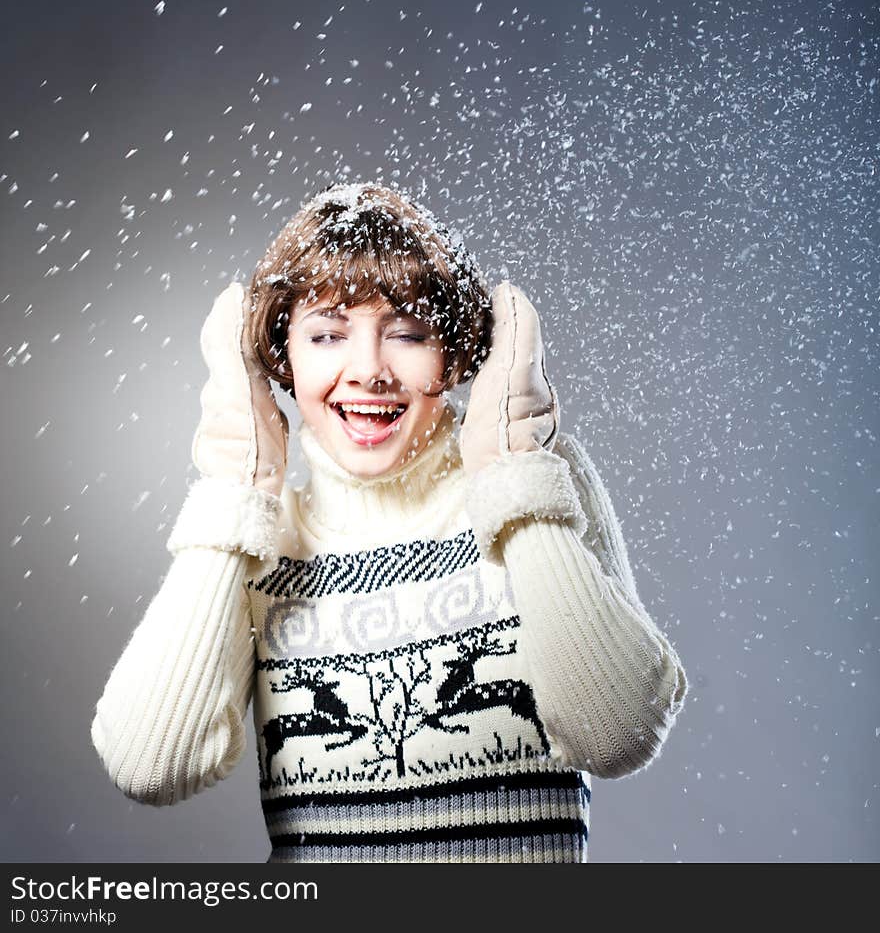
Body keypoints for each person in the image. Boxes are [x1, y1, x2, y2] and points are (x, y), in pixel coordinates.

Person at [91, 181, 688, 863]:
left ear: (458, 355)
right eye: (325, 334)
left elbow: (616, 735)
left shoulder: (537, 490)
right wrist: (236, 486)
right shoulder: (258, 539)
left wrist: (510, 473)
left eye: (408, 332)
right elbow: (149, 765)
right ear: (282, 359)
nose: (369, 370)